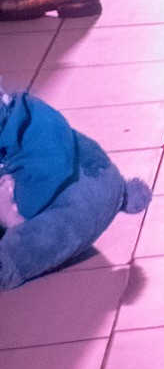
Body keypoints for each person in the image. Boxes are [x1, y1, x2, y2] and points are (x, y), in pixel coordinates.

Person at [0, 89, 152, 289]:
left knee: (31, 244)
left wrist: (9, 213)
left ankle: (8, 265)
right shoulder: (26, 110)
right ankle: (120, 194)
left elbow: (38, 189)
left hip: (61, 207)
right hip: (103, 183)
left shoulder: (30, 139)